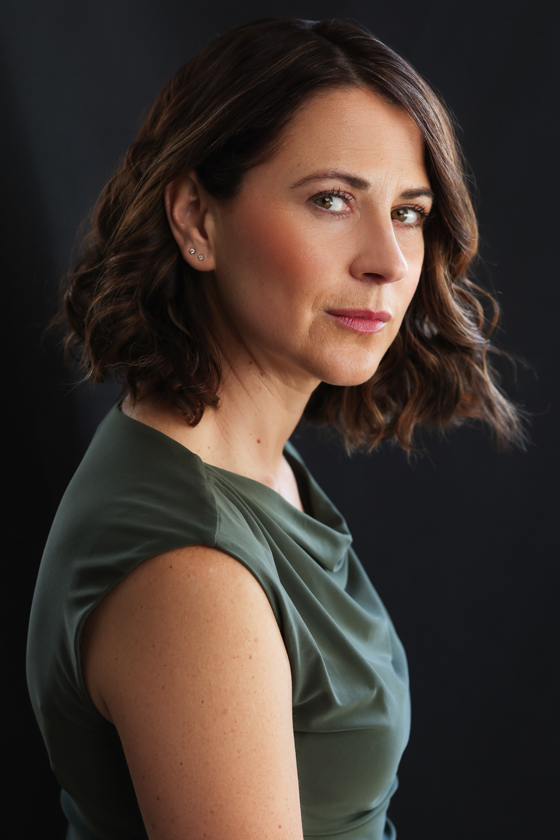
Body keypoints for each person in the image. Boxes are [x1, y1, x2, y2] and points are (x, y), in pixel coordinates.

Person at [27, 17, 524, 840]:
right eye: (332, 200)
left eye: (408, 211)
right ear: (196, 219)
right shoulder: (192, 574)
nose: (390, 260)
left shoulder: (242, 464)